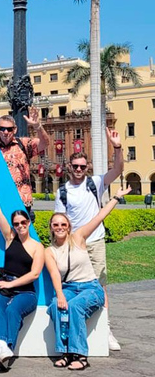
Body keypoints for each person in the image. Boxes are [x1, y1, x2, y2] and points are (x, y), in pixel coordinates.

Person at [46, 185, 131, 370]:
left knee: (75, 307)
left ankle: (80, 355)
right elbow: (54, 275)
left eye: (63, 224)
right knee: (55, 306)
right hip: (68, 288)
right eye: (56, 225)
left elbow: (99, 217)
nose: (60, 227)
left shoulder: (78, 237)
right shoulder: (49, 251)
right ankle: (65, 352)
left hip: (90, 288)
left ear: (68, 226)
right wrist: (59, 295)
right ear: (51, 228)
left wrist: (116, 197)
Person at [54, 127, 124, 351]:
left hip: (95, 242)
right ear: (69, 168)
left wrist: (118, 147)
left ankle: (106, 329)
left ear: (87, 168)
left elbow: (118, 169)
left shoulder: (95, 182)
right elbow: (60, 222)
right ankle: (77, 326)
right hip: (75, 246)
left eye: (82, 167)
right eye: (75, 166)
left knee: (100, 285)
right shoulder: (62, 191)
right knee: (73, 285)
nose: (78, 170)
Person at [0, 177, 45, 371]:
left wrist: (10, 285)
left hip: (26, 293)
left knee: (12, 310)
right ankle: (2, 347)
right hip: (5, 288)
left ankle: (5, 347)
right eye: (17, 223)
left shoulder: (37, 247)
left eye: (24, 222)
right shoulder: (9, 238)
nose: (20, 226)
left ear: (29, 222)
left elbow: (34, 275)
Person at [0, 109, 49, 220]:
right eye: (2, 128)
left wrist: (37, 126)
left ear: (14, 130)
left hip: (21, 201)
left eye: (9, 129)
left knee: (22, 235)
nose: (6, 132)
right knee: (0, 236)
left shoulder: (23, 144)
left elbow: (45, 143)